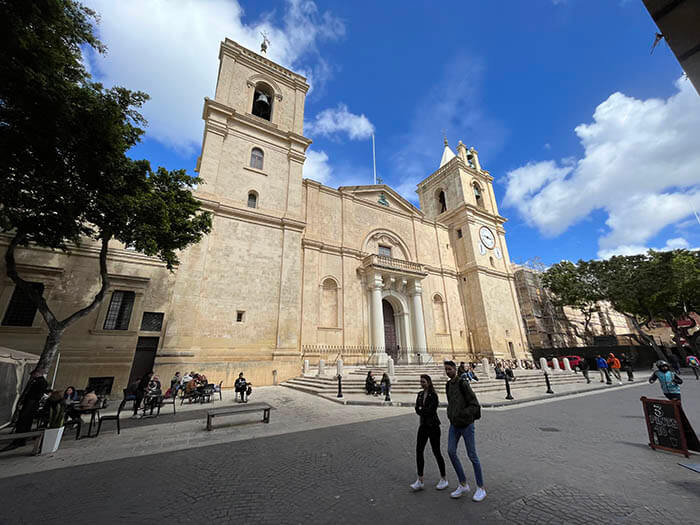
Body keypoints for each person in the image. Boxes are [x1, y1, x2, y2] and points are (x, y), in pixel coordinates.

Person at [443, 360, 486, 502]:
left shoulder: (463, 383)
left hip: (466, 424)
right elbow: (451, 402)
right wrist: (451, 414)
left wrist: (463, 415)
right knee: (450, 451)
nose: (447, 372)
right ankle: (463, 484)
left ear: (455, 369)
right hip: (454, 424)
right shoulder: (448, 385)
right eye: (446, 370)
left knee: (472, 455)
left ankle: (481, 488)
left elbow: (474, 403)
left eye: (449, 369)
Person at [410, 374, 448, 492]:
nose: (422, 384)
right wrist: (421, 410)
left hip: (433, 426)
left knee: (436, 452)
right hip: (423, 426)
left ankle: (444, 478)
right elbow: (417, 408)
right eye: (421, 382)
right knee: (419, 451)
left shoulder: (434, 395)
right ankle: (420, 480)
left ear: (429, 382)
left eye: (424, 382)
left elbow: (431, 410)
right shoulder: (420, 394)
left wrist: (422, 410)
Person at [2, 369, 50, 451]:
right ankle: (21, 439)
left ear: (37, 374)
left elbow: (34, 395)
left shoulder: (40, 382)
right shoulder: (39, 381)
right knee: (25, 422)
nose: (32, 376)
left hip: (30, 404)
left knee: (24, 421)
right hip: (31, 403)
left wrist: (26, 403)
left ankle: (19, 439)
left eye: (33, 374)